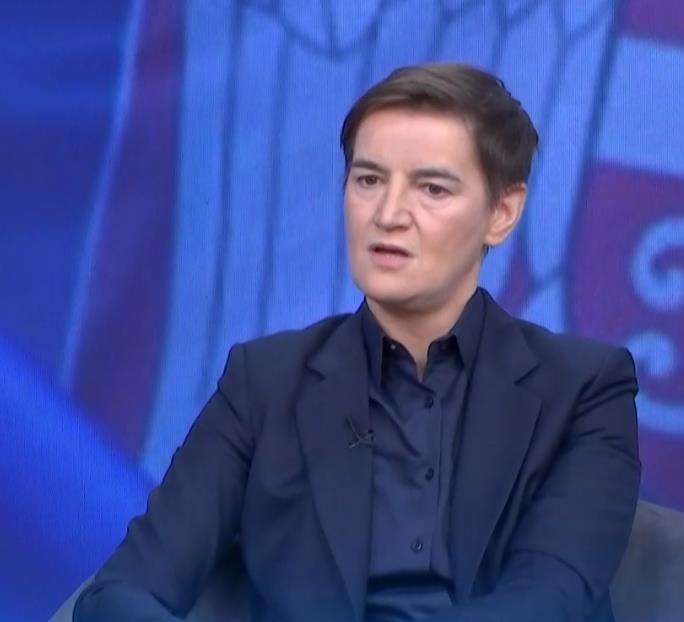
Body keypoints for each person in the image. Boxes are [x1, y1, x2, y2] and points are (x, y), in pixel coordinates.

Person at [74, 63, 640, 622]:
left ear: (502, 212)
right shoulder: (265, 382)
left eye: (432, 189)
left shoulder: (584, 389)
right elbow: (121, 592)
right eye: (369, 180)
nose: (388, 215)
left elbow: (549, 602)